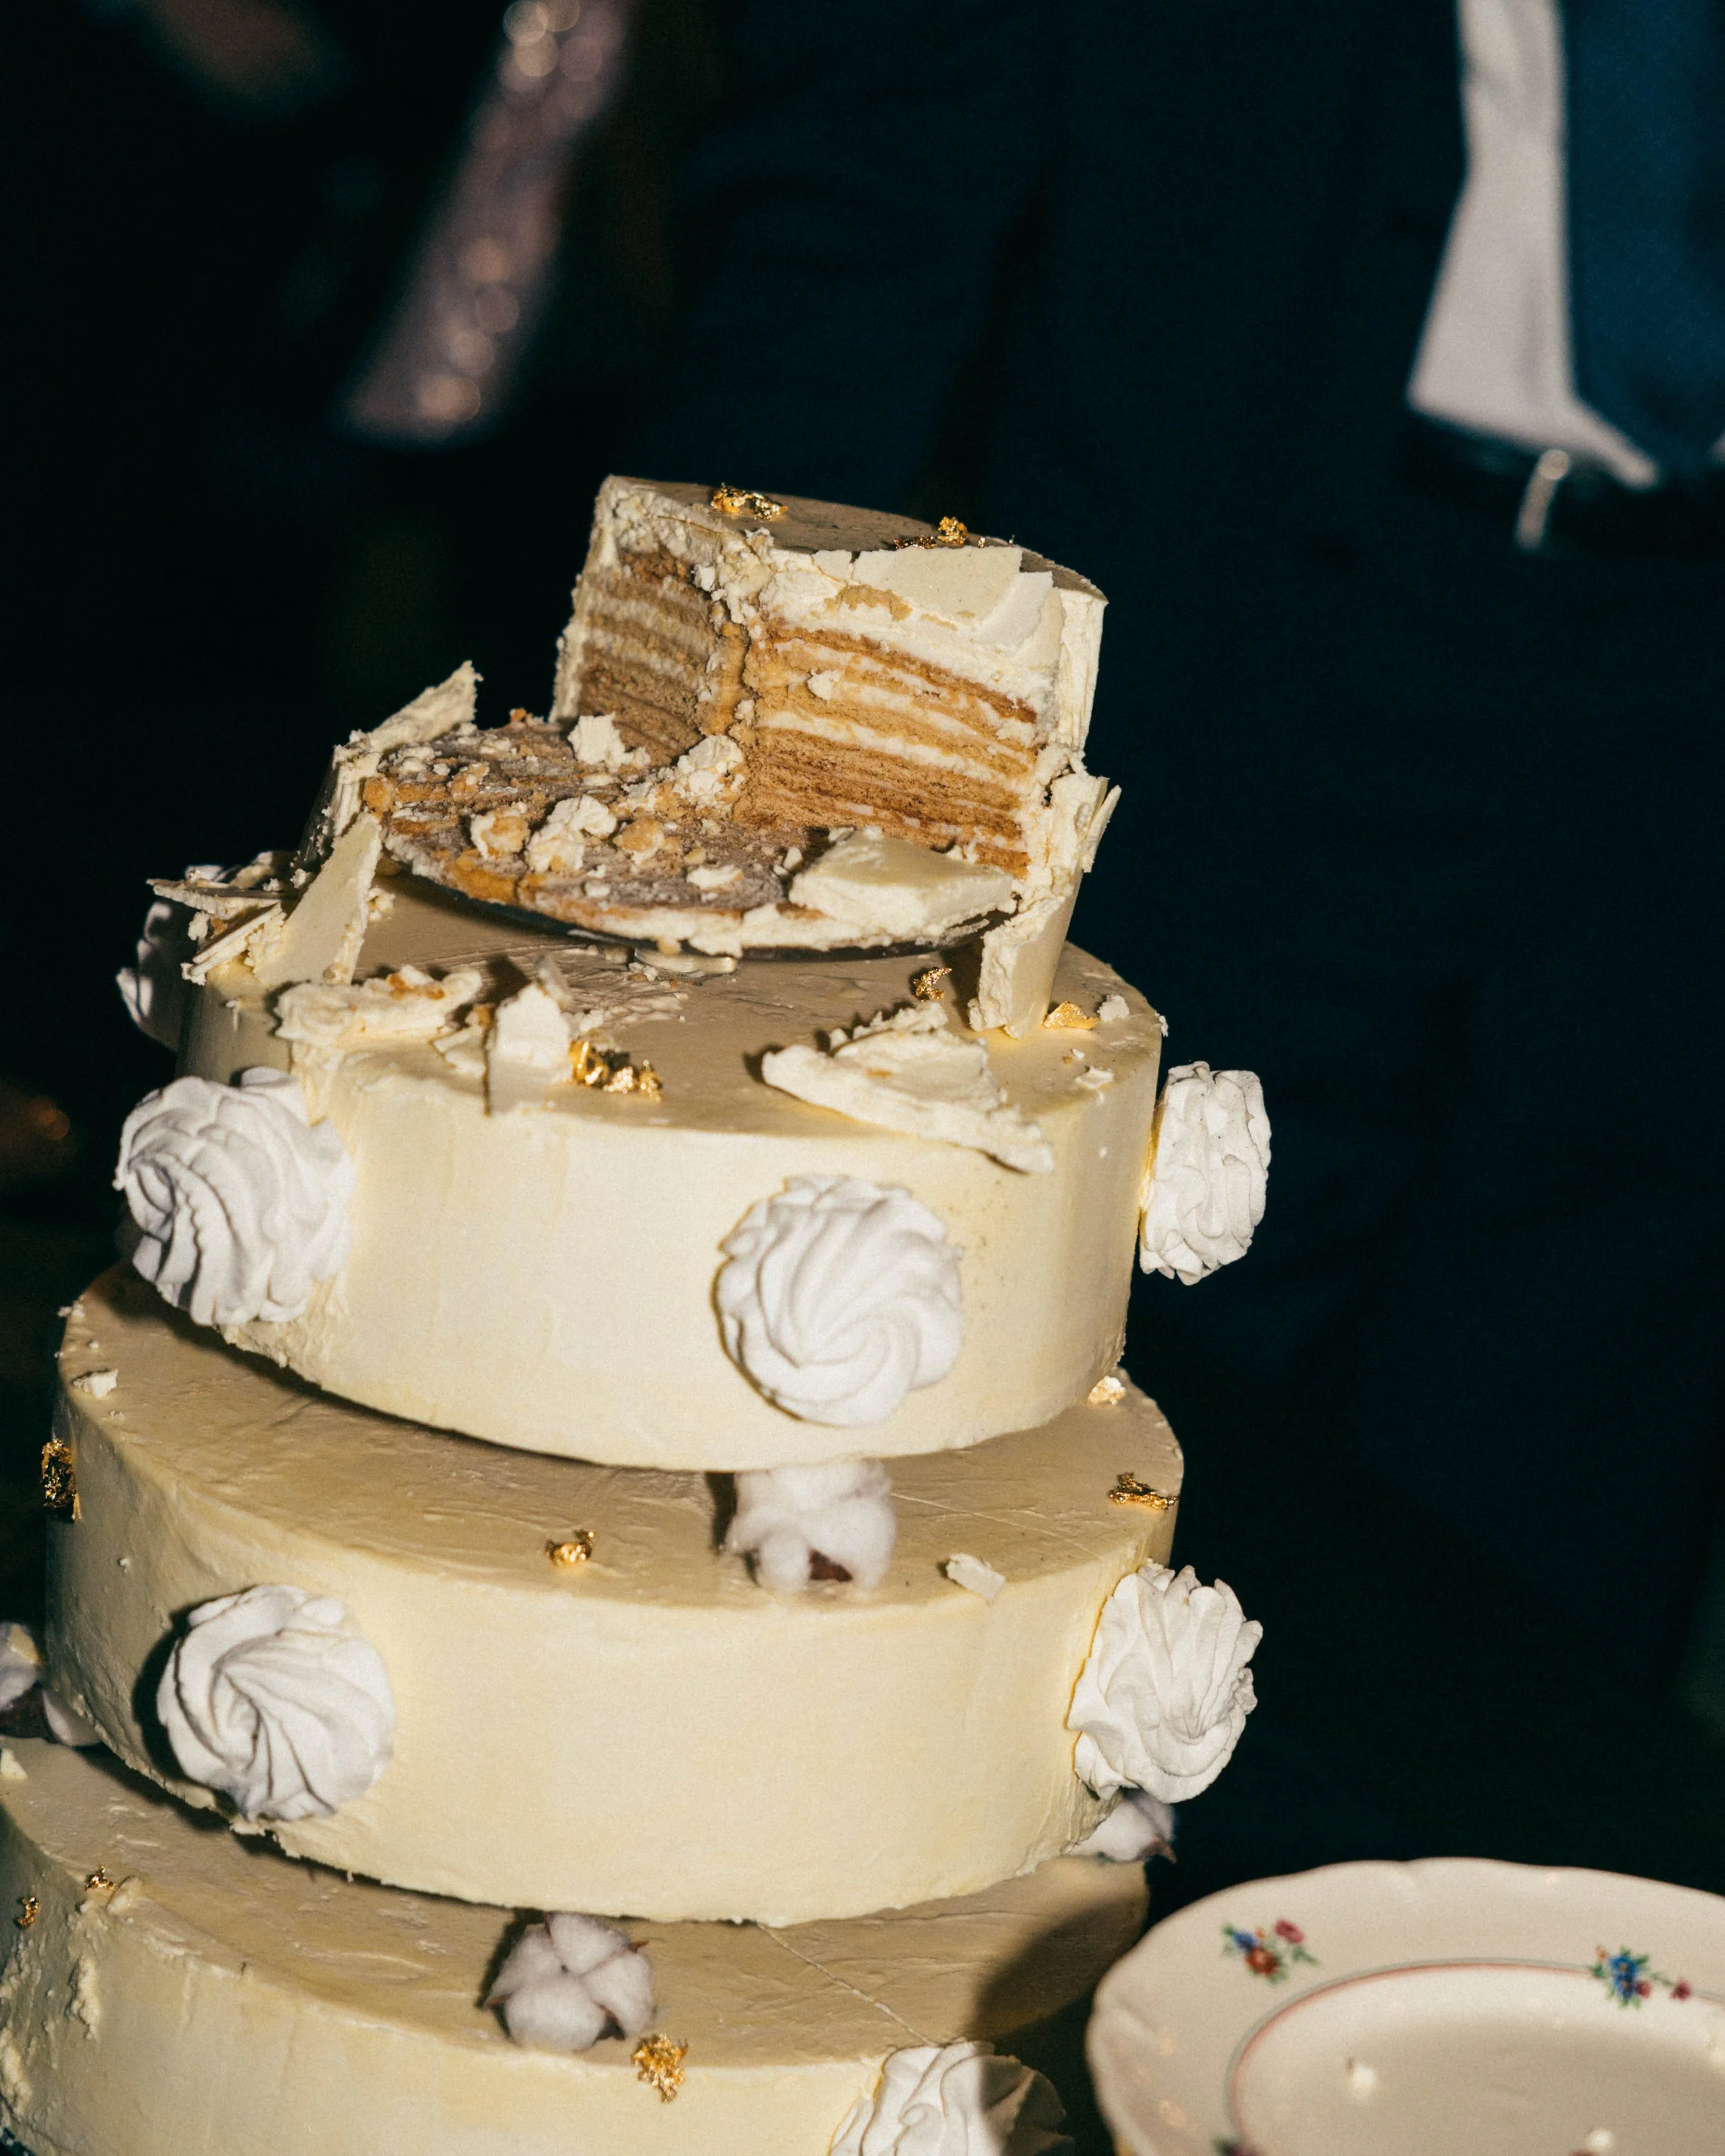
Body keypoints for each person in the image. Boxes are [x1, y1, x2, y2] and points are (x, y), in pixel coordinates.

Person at [624, 0, 1725, 1692]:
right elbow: (863, 184)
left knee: (1579, 1426)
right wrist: (700, 719)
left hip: (1680, 686)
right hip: (1238, 625)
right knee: (1159, 1395)